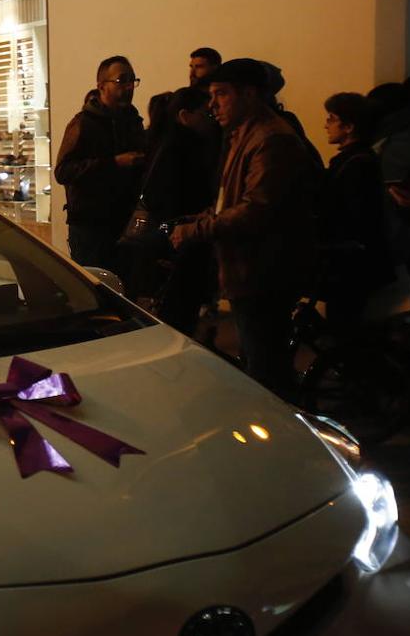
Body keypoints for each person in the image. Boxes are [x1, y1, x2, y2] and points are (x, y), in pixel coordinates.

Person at [170, 59, 319, 397]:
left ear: (249, 94)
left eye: (221, 94)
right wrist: (199, 219)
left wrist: (196, 231)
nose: (213, 104)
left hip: (264, 269)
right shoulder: (243, 135)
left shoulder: (270, 139)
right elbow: (231, 200)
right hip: (245, 268)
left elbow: (256, 210)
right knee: (260, 359)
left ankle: (282, 438)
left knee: (266, 371)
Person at [135, 87, 221, 333]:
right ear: (185, 115)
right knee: (179, 312)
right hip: (180, 237)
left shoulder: (166, 142)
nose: (212, 116)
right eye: (205, 113)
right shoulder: (186, 147)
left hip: (174, 235)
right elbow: (173, 197)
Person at [53, 55, 147, 270]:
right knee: (96, 290)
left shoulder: (133, 121)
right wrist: (114, 163)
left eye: (132, 80)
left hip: (126, 221)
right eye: (121, 80)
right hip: (90, 226)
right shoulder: (83, 123)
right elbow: (63, 171)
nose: (129, 86)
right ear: (101, 86)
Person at [318, 92, 394, 328]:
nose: (326, 125)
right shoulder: (358, 160)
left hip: (351, 264)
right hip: (355, 260)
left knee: (344, 326)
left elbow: (353, 216)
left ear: (349, 126)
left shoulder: (356, 165)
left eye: (331, 119)